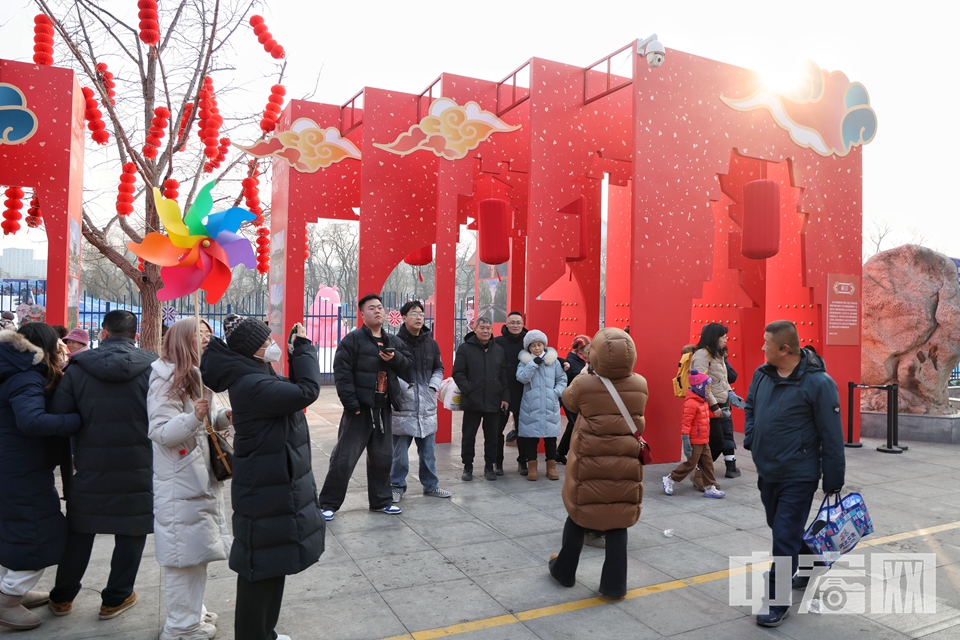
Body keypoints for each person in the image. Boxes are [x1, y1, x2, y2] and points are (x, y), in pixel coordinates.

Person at [200, 318, 324, 640]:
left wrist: (298, 356)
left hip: (275, 483)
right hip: (264, 490)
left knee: (274, 562)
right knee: (259, 569)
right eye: (267, 338)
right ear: (254, 349)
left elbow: (291, 389)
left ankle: (264, 633)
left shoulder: (257, 373)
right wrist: (306, 348)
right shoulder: (251, 383)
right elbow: (306, 392)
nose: (273, 342)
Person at [49, 310, 158, 620]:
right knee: (132, 530)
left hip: (90, 463)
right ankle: (115, 598)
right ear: (136, 337)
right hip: (139, 464)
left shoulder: (78, 368)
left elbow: (60, 416)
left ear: (104, 333)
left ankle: (61, 598)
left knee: (81, 529)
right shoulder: (153, 367)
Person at [744, 320, 845, 628]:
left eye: (766, 344)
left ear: (784, 349)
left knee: (784, 535)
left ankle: (776, 603)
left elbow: (832, 434)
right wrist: (751, 438)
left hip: (798, 473)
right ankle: (811, 559)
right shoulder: (762, 375)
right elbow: (749, 407)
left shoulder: (819, 383)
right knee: (779, 526)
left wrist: (833, 478)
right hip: (768, 470)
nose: (762, 348)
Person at [148, 318, 232, 640]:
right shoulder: (165, 379)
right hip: (179, 483)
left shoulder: (195, 376)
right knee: (184, 558)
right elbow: (161, 432)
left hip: (197, 480)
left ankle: (191, 614)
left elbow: (206, 420)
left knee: (196, 553)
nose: (207, 341)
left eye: (209, 336)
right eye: (201, 336)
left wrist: (220, 416)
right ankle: (181, 629)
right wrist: (194, 417)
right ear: (183, 340)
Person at [549, 328, 646, 601]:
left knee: (580, 512)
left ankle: (564, 571)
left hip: (590, 460)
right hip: (625, 462)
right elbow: (639, 418)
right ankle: (614, 585)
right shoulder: (640, 383)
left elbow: (568, 401)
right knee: (618, 521)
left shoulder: (584, 384)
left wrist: (585, 374)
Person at [0, 323, 81, 630]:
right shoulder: (24, 376)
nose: (62, 348)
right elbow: (31, 421)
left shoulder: (12, 367)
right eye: (58, 344)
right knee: (38, 534)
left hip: (14, 465)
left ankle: (10, 588)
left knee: (16, 530)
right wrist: (74, 421)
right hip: (20, 468)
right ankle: (7, 599)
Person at [319, 294, 411, 519]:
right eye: (371, 308)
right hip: (359, 410)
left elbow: (408, 367)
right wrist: (352, 405)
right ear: (362, 314)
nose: (377, 311)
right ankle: (327, 504)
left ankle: (381, 501)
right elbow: (342, 374)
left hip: (383, 409)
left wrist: (395, 359)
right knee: (344, 458)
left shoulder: (394, 342)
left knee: (382, 458)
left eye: (380, 307)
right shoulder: (352, 341)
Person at [391, 301, 450, 502]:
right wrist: (405, 388)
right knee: (399, 454)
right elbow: (387, 371)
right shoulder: (395, 342)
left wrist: (432, 387)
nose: (418, 317)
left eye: (421, 314)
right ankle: (396, 486)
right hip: (403, 406)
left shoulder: (431, 344)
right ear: (404, 317)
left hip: (426, 405)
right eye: (413, 313)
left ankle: (431, 485)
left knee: (428, 452)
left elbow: (439, 368)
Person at [453, 316, 510, 481]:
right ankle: (467, 467)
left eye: (488, 328)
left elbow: (504, 375)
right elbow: (458, 373)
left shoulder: (498, 350)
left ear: (492, 330)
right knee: (468, 436)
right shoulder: (465, 348)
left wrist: (505, 397)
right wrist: (468, 389)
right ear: (475, 328)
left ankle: (489, 467)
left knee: (492, 436)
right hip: (472, 400)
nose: (485, 331)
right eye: (482, 327)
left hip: (494, 400)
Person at [662, 370, 725, 498]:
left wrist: (719, 413)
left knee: (707, 464)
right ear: (700, 387)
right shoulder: (691, 403)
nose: (709, 389)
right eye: (708, 387)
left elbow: (704, 415)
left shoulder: (702, 401)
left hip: (704, 439)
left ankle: (709, 486)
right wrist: (686, 440)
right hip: (695, 440)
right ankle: (670, 478)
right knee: (690, 464)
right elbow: (686, 423)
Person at [691, 323, 740, 486]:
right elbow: (700, 383)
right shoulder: (702, 356)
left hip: (720, 403)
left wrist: (730, 394)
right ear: (714, 337)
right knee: (717, 441)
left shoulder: (718, 355)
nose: (726, 339)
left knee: (713, 443)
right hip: (708, 406)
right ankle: (696, 474)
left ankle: (701, 475)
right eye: (723, 336)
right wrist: (714, 406)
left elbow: (722, 380)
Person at [516, 329, 567, 481]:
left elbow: (562, 379)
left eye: (539, 345)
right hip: (531, 405)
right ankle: (532, 468)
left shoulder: (554, 361)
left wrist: (556, 393)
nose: (537, 348)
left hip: (550, 404)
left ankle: (551, 468)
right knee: (531, 439)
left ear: (544, 345)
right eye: (533, 346)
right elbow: (521, 378)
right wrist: (532, 365)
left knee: (550, 439)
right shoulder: (524, 362)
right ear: (528, 348)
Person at [495, 310, 528, 474]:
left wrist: (563, 362)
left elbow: (542, 353)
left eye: (518, 323)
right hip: (502, 393)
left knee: (523, 430)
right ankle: (498, 463)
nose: (515, 325)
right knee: (497, 430)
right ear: (507, 324)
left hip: (524, 392)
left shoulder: (528, 341)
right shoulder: (498, 342)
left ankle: (523, 462)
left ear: (523, 325)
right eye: (512, 323)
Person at [556, 334, 591, 465]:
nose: (590, 350)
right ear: (579, 349)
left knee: (573, 425)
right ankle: (580, 455)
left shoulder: (586, 360)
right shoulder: (570, 362)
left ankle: (559, 453)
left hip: (580, 399)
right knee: (579, 426)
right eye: (588, 347)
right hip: (571, 400)